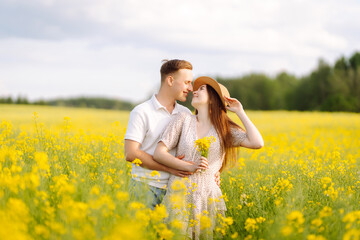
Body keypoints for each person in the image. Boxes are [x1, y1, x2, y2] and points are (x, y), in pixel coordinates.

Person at [154, 76, 264, 239]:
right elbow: (159, 153)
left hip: (208, 196)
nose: (194, 91)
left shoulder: (224, 130)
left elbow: (257, 143)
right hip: (179, 194)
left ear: (214, 99)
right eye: (196, 89)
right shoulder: (183, 120)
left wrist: (240, 111)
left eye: (202, 89)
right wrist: (188, 167)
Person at [124, 60, 215, 210]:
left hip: (178, 190)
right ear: (170, 80)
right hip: (145, 187)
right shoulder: (142, 111)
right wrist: (169, 168)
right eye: (186, 82)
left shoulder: (185, 113)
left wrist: (212, 174)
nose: (191, 88)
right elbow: (130, 153)